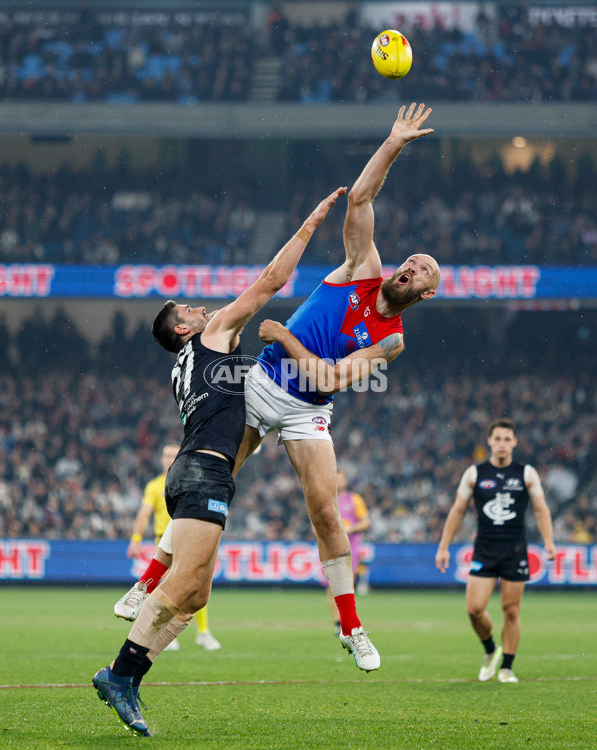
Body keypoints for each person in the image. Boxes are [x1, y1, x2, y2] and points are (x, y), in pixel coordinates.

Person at [114, 102, 440, 676]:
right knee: (213, 479)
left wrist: (285, 337)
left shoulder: (392, 340)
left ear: (426, 294)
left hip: (308, 407)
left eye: (422, 271)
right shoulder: (362, 267)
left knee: (325, 511)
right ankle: (144, 585)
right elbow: (362, 199)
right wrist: (393, 143)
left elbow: (331, 378)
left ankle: (352, 627)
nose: (410, 266)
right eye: (411, 259)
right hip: (259, 383)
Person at [92, 185, 347, 737]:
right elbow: (270, 283)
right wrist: (310, 225)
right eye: (189, 309)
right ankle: (121, 674)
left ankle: (126, 659)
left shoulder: (189, 360)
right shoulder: (211, 336)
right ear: (184, 329)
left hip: (196, 472)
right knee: (184, 589)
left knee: (196, 595)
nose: (201, 308)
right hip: (204, 471)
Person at [435, 418, 556, 684]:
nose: (502, 443)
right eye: (497, 438)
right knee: (474, 609)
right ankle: (491, 650)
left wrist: (548, 540)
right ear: (490, 441)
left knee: (511, 610)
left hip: (514, 549)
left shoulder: (526, 473)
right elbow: (458, 510)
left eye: (506, 439)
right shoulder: (475, 473)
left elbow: (540, 508)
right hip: (485, 549)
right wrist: (443, 546)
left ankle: (507, 668)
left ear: (514, 442)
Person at [115, 443, 221, 651]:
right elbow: (144, 513)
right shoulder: (154, 486)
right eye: (165, 455)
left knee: (194, 583)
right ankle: (169, 633)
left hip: (189, 537)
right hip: (163, 541)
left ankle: (202, 631)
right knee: (173, 586)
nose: (168, 459)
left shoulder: (193, 481)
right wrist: (136, 538)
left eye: (173, 455)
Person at [325, 469, 371, 636]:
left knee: (346, 585)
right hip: (328, 547)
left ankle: (349, 622)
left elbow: (366, 522)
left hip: (349, 549)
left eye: (341, 479)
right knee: (331, 587)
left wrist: (352, 528)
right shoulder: (325, 499)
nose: (339, 482)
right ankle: (338, 624)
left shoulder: (354, 499)